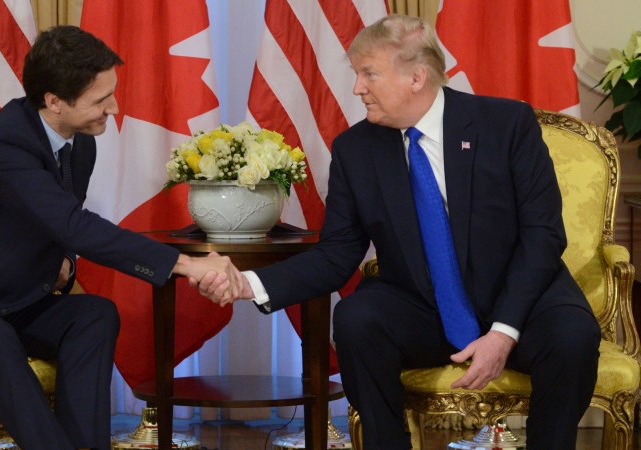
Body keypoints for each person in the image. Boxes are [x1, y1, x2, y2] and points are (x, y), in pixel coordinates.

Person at [197, 14, 600, 450]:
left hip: (520, 300)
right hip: (423, 307)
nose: (357, 88)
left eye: (369, 74)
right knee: (356, 319)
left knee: (573, 336)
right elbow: (336, 255)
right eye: (356, 75)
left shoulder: (506, 125)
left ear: (416, 77)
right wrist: (248, 284)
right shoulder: (355, 150)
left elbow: (543, 235)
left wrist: (502, 332)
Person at [0, 25, 241, 450]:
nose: (114, 108)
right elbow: (73, 224)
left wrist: (64, 265)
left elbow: (54, 228)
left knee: (94, 315)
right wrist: (187, 264)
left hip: (7, 301)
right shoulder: (1, 142)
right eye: (100, 100)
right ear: (54, 101)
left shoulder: (80, 142)